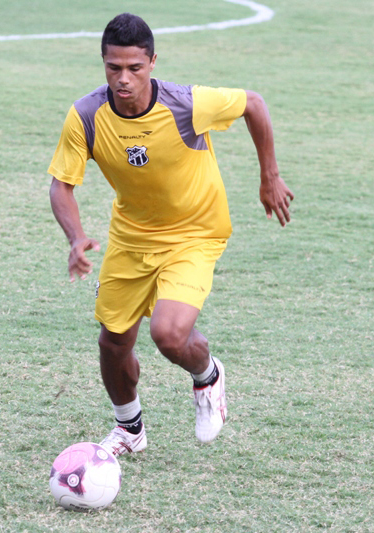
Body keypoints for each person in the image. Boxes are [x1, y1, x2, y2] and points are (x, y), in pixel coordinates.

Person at [48, 13, 293, 456]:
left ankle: (208, 376)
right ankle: (129, 431)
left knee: (169, 335)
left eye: (134, 68)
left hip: (194, 234)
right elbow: (61, 184)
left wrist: (269, 177)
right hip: (131, 237)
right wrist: (75, 236)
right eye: (113, 68)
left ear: (153, 62)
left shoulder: (187, 104)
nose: (123, 79)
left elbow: (253, 103)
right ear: (103, 63)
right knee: (113, 342)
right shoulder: (86, 115)